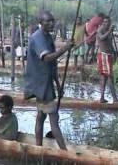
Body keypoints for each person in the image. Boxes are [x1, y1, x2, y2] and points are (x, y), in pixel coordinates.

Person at [24, 11, 73, 150]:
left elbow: (53, 64)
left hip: (46, 82)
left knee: (40, 116)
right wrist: (64, 48)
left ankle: (38, 147)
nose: (52, 23)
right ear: (41, 22)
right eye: (48, 21)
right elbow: (46, 58)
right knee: (53, 119)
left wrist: (58, 85)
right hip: (40, 84)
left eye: (53, 20)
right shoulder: (37, 37)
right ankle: (64, 152)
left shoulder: (48, 37)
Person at [96, 16, 118, 105]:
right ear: (102, 23)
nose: (106, 23)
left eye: (108, 22)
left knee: (105, 77)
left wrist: (115, 52)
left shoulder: (109, 31)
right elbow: (101, 38)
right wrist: (109, 31)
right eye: (105, 22)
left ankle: (102, 98)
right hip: (103, 55)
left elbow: (110, 43)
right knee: (109, 77)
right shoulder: (100, 30)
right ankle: (115, 98)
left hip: (108, 55)